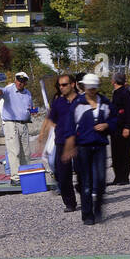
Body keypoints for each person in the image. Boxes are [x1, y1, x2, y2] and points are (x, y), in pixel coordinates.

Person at [38, 72, 81, 213]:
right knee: (62, 174)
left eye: (64, 85)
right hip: (62, 142)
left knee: (84, 172)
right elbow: (50, 119)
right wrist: (43, 135)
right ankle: (70, 202)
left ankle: (85, 191)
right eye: (59, 85)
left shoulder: (82, 100)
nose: (61, 87)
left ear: (72, 84)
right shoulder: (58, 102)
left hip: (81, 141)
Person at [73, 75, 110, 225]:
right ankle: (87, 214)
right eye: (89, 88)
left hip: (100, 145)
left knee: (101, 180)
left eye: (94, 87)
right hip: (83, 146)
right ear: (85, 87)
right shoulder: (78, 103)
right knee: (86, 182)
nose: (92, 90)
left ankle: (98, 208)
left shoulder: (105, 102)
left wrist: (107, 125)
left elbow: (113, 119)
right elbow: (70, 124)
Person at [0, 71, 34, 181]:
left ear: (25, 82)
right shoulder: (9, 89)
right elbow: (1, 92)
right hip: (11, 123)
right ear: (15, 80)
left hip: (24, 124)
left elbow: (29, 108)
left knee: (26, 152)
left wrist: (32, 111)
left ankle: (26, 175)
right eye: (18, 80)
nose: (20, 83)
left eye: (22, 81)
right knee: (14, 151)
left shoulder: (28, 94)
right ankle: (16, 177)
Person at [109, 72, 130, 184]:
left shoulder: (125, 93)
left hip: (124, 128)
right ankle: (117, 177)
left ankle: (124, 178)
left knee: (125, 153)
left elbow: (129, 112)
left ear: (114, 81)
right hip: (116, 128)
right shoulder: (116, 93)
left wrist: (127, 127)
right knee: (116, 154)